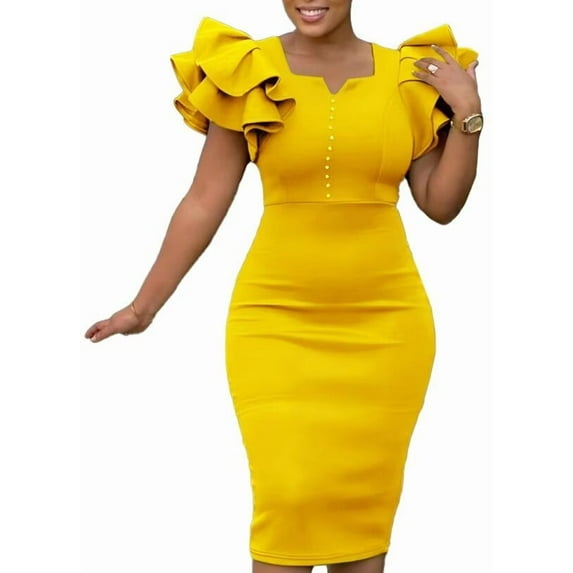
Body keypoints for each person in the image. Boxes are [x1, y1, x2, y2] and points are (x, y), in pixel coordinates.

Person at [84, 1, 482, 571]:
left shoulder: (410, 74)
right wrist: (142, 308)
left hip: (387, 327)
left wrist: (468, 115)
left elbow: (440, 205)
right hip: (275, 321)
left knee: (362, 510)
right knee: (288, 497)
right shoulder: (250, 71)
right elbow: (203, 201)